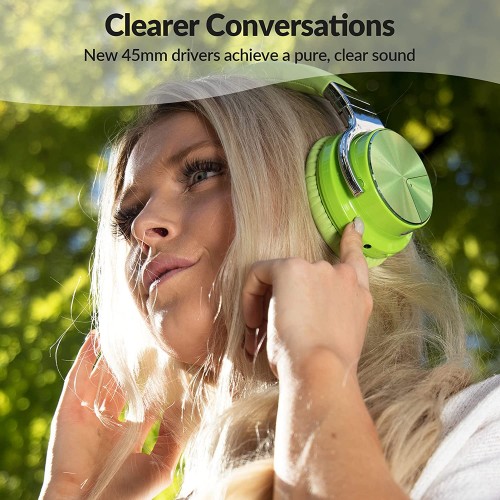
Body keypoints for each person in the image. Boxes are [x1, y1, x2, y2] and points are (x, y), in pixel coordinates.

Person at [40, 67, 500, 500]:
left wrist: (316, 364)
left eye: (201, 173)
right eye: (128, 217)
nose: (143, 227)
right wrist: (73, 492)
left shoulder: (482, 430)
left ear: (333, 202)